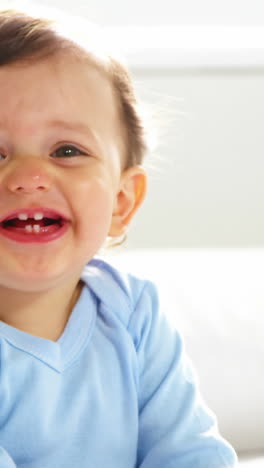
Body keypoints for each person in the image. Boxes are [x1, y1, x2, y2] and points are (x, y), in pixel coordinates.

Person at [0, 5, 238, 468]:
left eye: (67, 150)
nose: (28, 177)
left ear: (121, 203)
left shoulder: (133, 314)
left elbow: (188, 450)